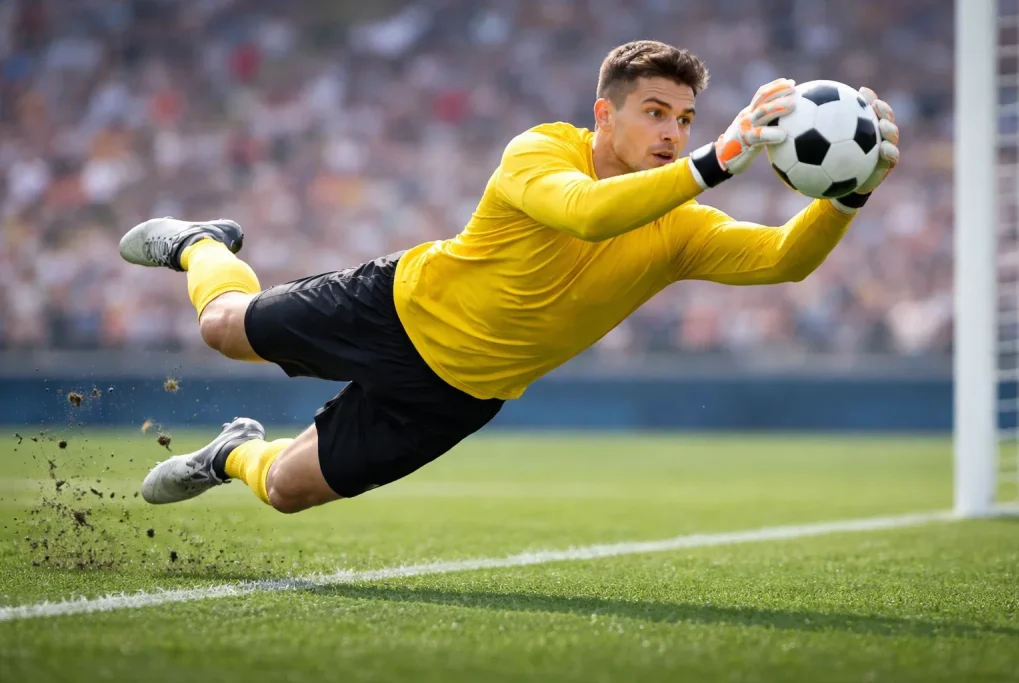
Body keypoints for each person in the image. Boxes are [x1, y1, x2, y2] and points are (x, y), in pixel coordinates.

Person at [121, 40, 899, 513]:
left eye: (687, 119)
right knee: (222, 328)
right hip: (396, 308)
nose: (674, 133)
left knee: (287, 489)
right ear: (606, 114)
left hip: (459, 395)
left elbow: (783, 259)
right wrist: (721, 158)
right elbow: (588, 213)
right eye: (656, 113)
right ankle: (199, 242)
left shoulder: (680, 227)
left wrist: (848, 195)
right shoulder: (541, 150)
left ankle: (228, 453)